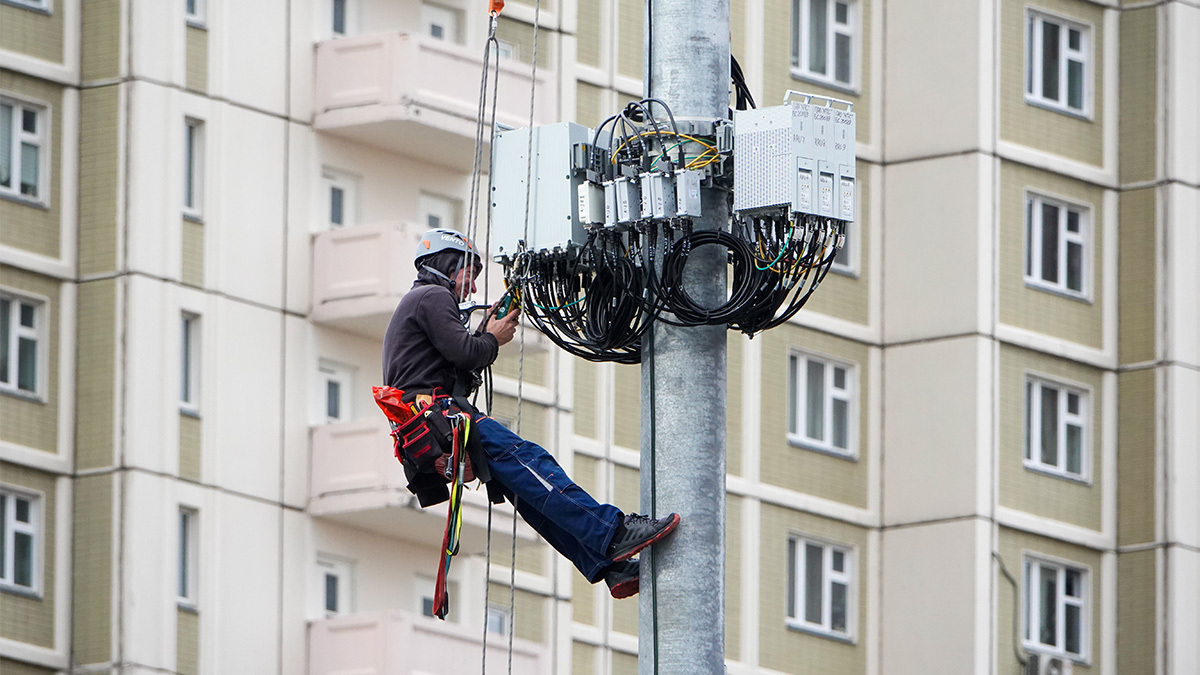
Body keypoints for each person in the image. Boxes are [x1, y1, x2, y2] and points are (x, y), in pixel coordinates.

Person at [382, 228, 680, 599]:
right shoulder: (432, 296)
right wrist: (492, 338)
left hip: (431, 422)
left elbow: (457, 367)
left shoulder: (419, 303)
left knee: (528, 494)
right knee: (531, 463)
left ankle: (608, 566)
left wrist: (482, 337)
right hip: (440, 415)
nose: (472, 289)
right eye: (469, 274)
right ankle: (614, 533)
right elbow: (467, 354)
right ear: (447, 264)